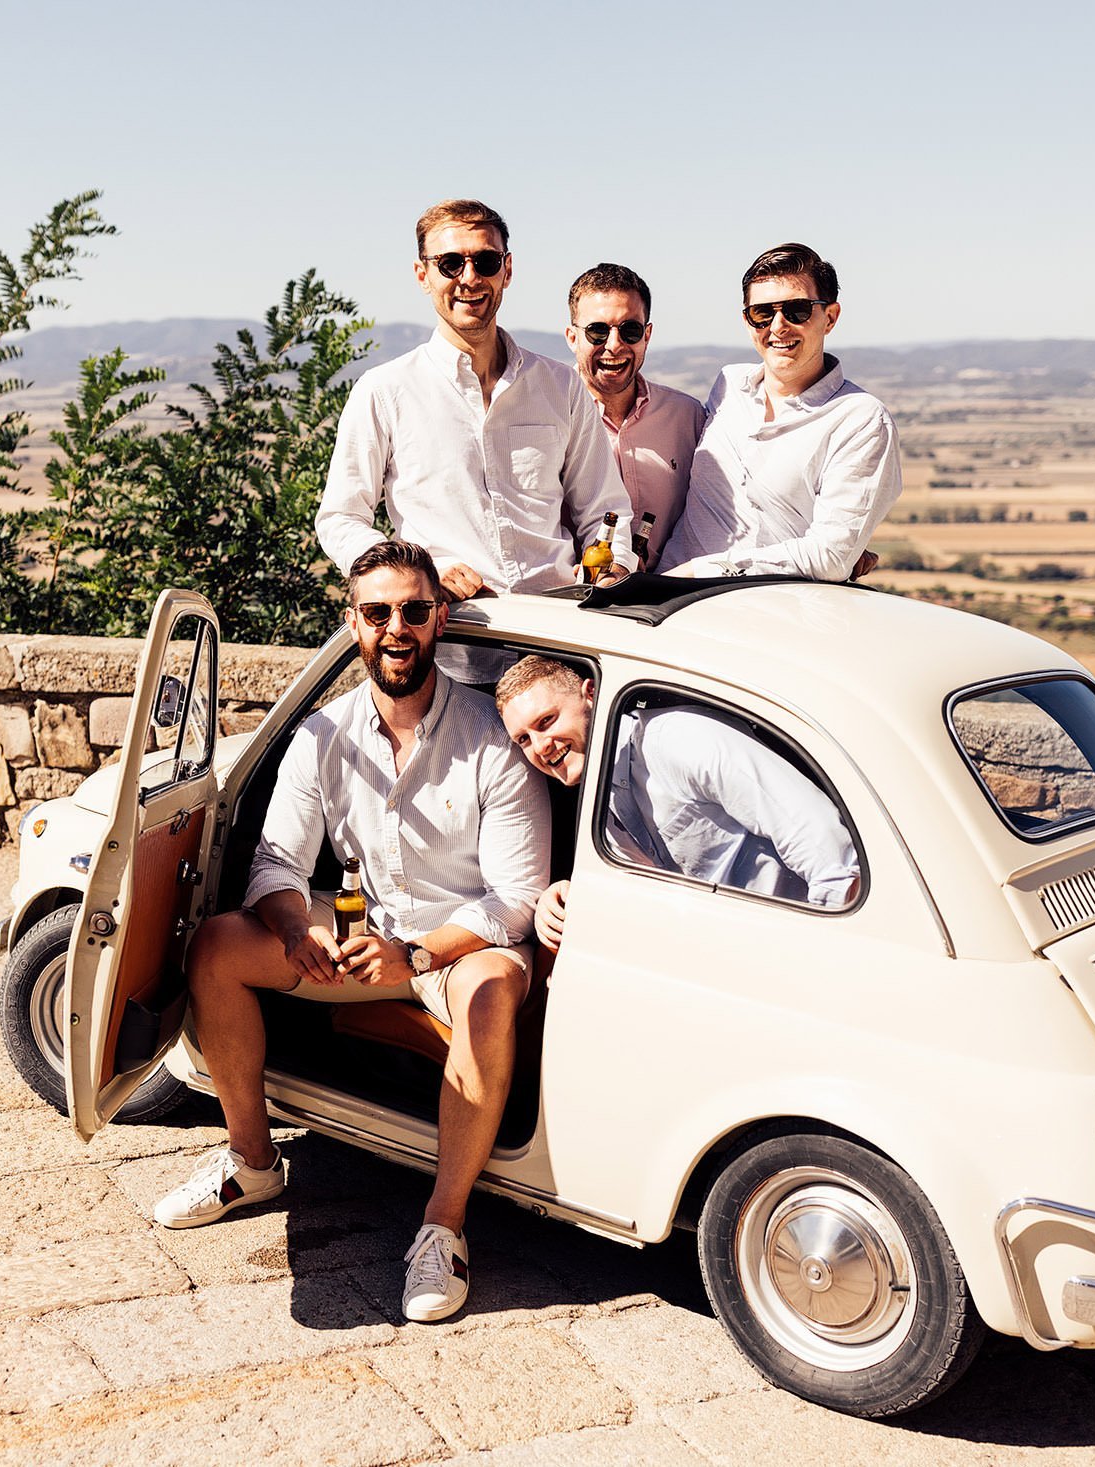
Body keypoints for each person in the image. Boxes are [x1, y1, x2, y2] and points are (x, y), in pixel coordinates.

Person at [153, 540, 551, 1324]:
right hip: (364, 938)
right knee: (217, 947)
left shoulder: (490, 736)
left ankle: (443, 1226)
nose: (395, 628)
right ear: (354, 622)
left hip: (457, 945)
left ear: (438, 617)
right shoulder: (322, 737)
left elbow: (517, 897)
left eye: (412, 609)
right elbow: (276, 861)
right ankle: (254, 1161)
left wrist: (420, 950)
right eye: (377, 612)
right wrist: (292, 927)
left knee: (494, 987)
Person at [318, 200, 636, 599]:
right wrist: (420, 575)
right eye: (450, 263)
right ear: (423, 274)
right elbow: (341, 519)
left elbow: (604, 508)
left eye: (485, 262)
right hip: (452, 635)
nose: (470, 278)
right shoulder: (384, 391)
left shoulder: (560, 386)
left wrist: (615, 565)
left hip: (558, 630)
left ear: (507, 270)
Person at [493, 656, 857, 951]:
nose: (541, 747)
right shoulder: (600, 794)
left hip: (792, 942)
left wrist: (827, 949)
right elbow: (638, 889)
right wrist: (569, 895)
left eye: (546, 721)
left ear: (592, 695)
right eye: (523, 739)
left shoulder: (678, 739)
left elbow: (820, 839)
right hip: (712, 949)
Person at [657, 243, 900, 581]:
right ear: (746, 320)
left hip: (770, 612)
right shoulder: (729, 384)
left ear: (829, 317)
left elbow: (829, 557)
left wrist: (706, 570)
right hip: (664, 607)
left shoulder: (860, 420)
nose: (778, 325)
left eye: (797, 310)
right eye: (762, 313)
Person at [564, 263, 704, 567]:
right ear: (572, 338)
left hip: (670, 600)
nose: (614, 346)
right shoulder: (549, 418)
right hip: (571, 604)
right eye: (597, 331)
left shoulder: (688, 418)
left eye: (630, 330)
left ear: (647, 335)